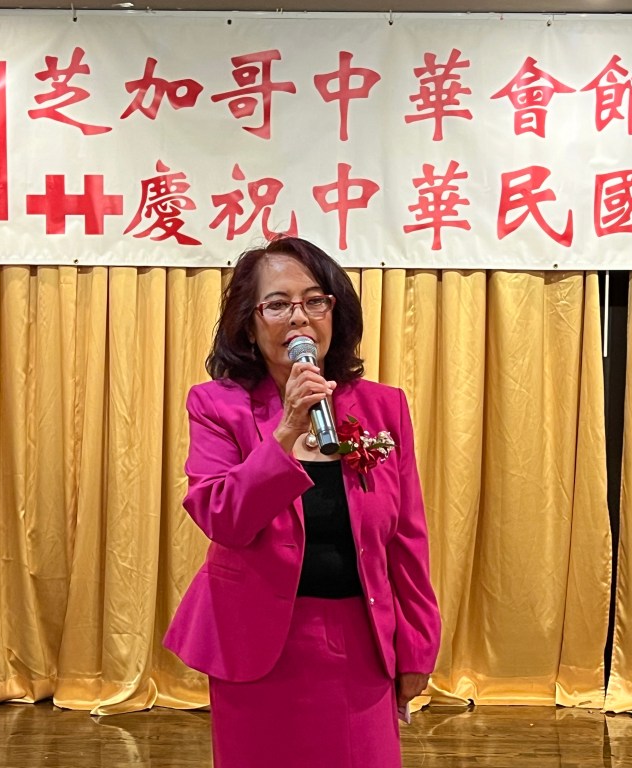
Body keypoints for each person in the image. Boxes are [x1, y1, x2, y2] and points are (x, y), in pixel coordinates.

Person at [164, 235, 441, 768]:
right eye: (277, 304)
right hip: (256, 645)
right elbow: (223, 517)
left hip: (361, 643)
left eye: (315, 301)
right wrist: (287, 429)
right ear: (249, 324)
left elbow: (408, 538)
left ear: (335, 313)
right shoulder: (217, 405)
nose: (299, 317)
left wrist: (418, 643)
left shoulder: (382, 406)